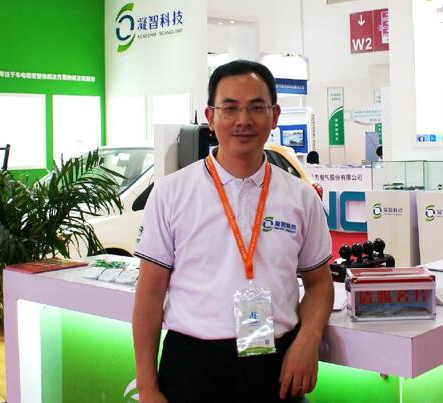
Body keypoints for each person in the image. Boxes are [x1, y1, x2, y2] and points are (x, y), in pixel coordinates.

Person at [132, 60, 334, 403]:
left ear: (274, 116)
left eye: (256, 107)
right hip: (192, 367)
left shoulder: (300, 197)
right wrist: (148, 387)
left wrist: (308, 339)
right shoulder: (171, 193)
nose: (243, 120)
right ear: (210, 118)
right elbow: (150, 294)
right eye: (230, 108)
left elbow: (319, 283)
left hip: (276, 368)